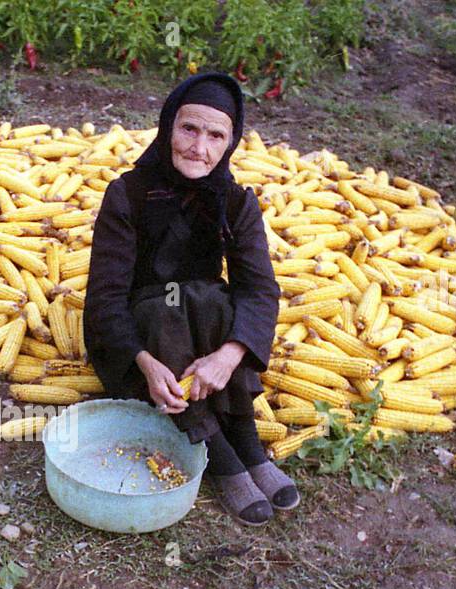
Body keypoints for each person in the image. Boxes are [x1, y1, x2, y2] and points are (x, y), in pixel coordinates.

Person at [84, 71, 299, 526]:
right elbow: (104, 297)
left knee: (214, 301)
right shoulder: (128, 194)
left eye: (215, 135)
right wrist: (141, 360)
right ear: (167, 127)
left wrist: (228, 355)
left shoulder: (236, 203)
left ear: (230, 144)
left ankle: (247, 439)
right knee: (167, 305)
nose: (198, 147)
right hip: (137, 331)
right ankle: (220, 455)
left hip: (204, 322)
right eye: (189, 128)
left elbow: (260, 288)